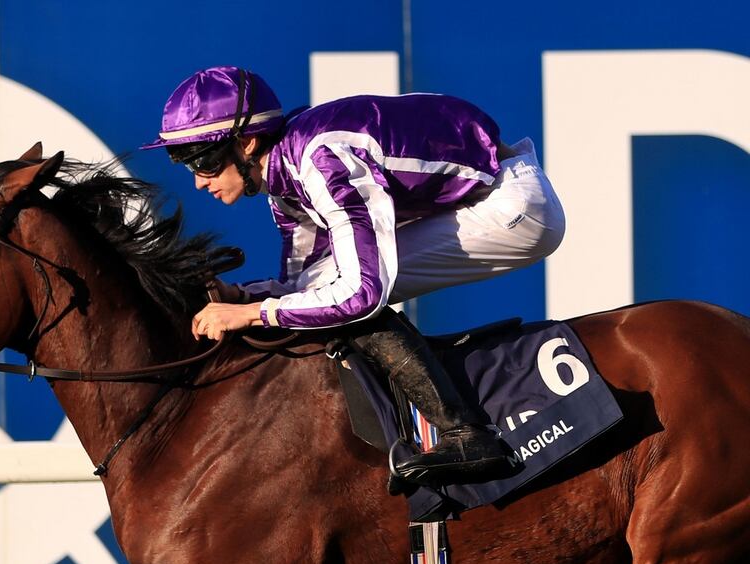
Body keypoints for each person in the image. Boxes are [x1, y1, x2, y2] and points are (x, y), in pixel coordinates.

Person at [142, 66, 565, 487]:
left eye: (204, 161)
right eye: (186, 164)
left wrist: (251, 313)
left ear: (247, 143)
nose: (199, 182)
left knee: (342, 295)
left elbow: (361, 293)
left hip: (513, 206)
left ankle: (467, 434)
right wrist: (240, 296)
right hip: (487, 192)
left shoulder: (318, 159)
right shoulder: (286, 177)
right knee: (316, 296)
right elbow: (300, 286)